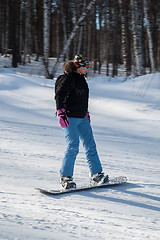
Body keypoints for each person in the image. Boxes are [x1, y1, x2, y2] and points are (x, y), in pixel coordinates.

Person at [55, 54, 108, 189]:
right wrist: (60, 112)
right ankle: (65, 178)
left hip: (82, 118)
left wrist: (86, 112)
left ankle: (96, 175)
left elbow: (82, 98)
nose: (88, 69)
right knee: (73, 146)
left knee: (90, 145)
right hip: (69, 117)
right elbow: (59, 95)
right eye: (86, 66)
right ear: (78, 66)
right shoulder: (68, 79)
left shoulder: (82, 80)